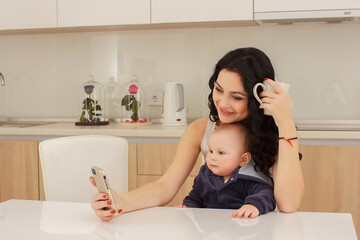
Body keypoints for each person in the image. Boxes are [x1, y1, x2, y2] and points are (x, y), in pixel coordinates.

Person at [90, 47, 304, 222]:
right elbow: (165, 186)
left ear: (259, 96)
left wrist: (285, 122)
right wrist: (121, 202)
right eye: (218, 90)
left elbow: (288, 204)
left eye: (237, 97)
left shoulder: (277, 133)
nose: (223, 103)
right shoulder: (201, 129)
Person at [178, 123, 276, 218]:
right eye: (211, 151)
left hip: (240, 229)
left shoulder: (249, 178)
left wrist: (253, 205)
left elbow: (266, 194)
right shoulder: (204, 175)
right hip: (210, 230)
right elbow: (194, 198)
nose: (212, 157)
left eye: (221, 153)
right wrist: (187, 208)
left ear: (243, 159)